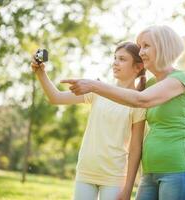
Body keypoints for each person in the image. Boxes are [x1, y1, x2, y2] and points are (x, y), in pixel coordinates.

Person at [61, 25, 185, 200]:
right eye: (140, 46)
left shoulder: (180, 79)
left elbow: (140, 100)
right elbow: (130, 98)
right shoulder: (149, 85)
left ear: (163, 47)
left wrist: (94, 86)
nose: (141, 52)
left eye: (146, 46)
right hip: (149, 171)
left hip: (178, 170)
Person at [31, 42, 146, 200]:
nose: (115, 62)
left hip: (114, 176)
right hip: (86, 171)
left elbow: (135, 149)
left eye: (122, 59)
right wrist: (40, 73)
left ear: (138, 67)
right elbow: (55, 97)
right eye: (114, 58)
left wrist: (128, 187)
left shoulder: (138, 102)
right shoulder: (97, 89)